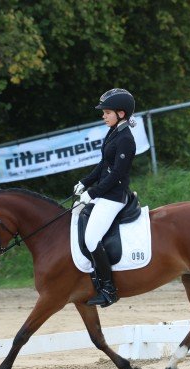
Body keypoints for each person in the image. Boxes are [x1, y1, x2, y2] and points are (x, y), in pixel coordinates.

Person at [74, 88, 137, 307]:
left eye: (107, 112)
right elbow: (104, 164)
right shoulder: (114, 132)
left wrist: (93, 192)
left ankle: (109, 289)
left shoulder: (126, 139)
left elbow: (118, 174)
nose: (103, 116)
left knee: (91, 239)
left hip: (113, 197)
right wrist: (85, 182)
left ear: (121, 113)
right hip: (105, 194)